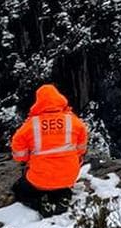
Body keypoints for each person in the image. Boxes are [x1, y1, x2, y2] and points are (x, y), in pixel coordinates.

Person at [10, 84, 88, 214]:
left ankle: (40, 205)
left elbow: (19, 155)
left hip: (39, 178)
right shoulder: (74, 122)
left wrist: (30, 158)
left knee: (20, 189)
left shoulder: (30, 126)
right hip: (69, 176)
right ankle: (63, 197)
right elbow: (81, 150)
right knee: (61, 185)